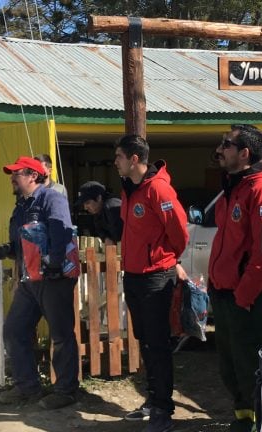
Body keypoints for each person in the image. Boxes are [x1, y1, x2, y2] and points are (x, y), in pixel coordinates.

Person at [115, 135, 188, 432]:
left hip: (155, 277)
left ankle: (162, 410)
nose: (115, 162)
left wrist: (166, 259)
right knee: (145, 342)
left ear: (134, 159)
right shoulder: (128, 189)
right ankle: (154, 399)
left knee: (157, 346)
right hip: (134, 276)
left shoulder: (158, 188)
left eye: (119, 156)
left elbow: (179, 232)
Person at [0, 156, 80, 409]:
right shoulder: (21, 204)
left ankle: (65, 391)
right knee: (14, 330)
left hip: (54, 278)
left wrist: (54, 262)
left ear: (33, 175)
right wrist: (10, 249)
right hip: (30, 279)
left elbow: (62, 230)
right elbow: (27, 239)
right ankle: (27, 387)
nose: (12, 178)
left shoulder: (51, 198)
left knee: (61, 335)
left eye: (16, 173)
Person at [208, 124, 262, 432]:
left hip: (247, 298)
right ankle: (243, 420)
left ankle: (261, 423)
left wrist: (244, 295)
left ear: (244, 153)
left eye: (227, 144)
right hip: (224, 294)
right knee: (230, 367)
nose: (220, 150)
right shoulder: (232, 187)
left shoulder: (260, 188)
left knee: (251, 366)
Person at [75, 180, 123, 246]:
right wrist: (106, 238)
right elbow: (99, 229)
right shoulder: (98, 210)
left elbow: (120, 235)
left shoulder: (112, 208)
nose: (85, 208)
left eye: (88, 203)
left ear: (98, 198)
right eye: (84, 204)